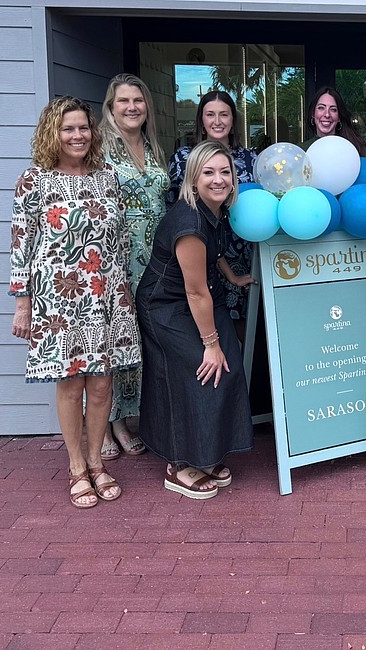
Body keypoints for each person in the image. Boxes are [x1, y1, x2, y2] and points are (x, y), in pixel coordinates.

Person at [9, 96, 141, 508]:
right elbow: (21, 243)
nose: (77, 135)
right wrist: (22, 302)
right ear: (54, 132)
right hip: (57, 295)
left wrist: (124, 296)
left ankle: (98, 463)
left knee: (102, 383)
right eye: (68, 128)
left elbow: (120, 240)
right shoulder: (35, 180)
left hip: (105, 292)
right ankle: (76, 467)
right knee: (71, 383)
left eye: (83, 127)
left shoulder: (108, 178)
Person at [137, 141, 253, 499]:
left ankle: (207, 453)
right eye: (209, 172)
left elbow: (210, 256)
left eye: (225, 172)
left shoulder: (214, 209)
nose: (218, 180)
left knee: (227, 368)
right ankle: (178, 463)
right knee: (200, 371)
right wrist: (211, 343)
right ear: (193, 178)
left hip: (201, 297)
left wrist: (232, 277)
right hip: (167, 306)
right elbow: (194, 291)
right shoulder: (188, 221)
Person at [98, 73, 168, 461]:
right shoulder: (100, 151)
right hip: (116, 262)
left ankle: (129, 416)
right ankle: (111, 424)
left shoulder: (154, 147)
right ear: (111, 107)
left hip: (154, 261)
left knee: (138, 343)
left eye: (138, 101)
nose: (131, 108)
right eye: (123, 101)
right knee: (112, 344)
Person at [167, 90, 256, 338]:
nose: (217, 121)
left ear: (233, 120)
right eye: (210, 114)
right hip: (199, 251)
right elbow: (178, 208)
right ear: (201, 120)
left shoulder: (249, 159)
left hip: (242, 250)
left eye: (224, 114)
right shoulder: (184, 158)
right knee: (204, 318)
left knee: (243, 329)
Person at [304, 86, 366, 156]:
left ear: (339, 117)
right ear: (313, 113)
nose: (327, 114)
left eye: (333, 109)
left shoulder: (353, 149)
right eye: (321, 108)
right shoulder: (303, 151)